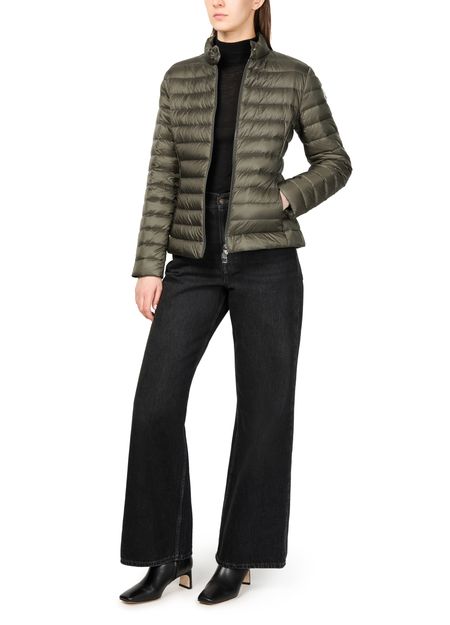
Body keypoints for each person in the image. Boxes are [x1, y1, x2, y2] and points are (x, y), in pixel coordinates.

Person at [119, 0, 352, 606]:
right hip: (193, 258)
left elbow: (335, 161)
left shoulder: (294, 76)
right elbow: (162, 175)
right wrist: (148, 264)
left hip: (266, 260)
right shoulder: (180, 79)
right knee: (155, 404)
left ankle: (240, 555)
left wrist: (284, 198)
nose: (216, 1)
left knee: (265, 410)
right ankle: (167, 554)